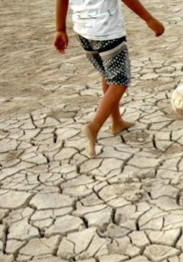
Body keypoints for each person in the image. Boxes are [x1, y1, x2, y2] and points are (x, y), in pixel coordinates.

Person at [53, 0, 164, 158]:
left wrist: (60, 29)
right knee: (119, 80)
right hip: (106, 32)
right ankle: (94, 126)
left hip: (84, 33)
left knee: (108, 74)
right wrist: (149, 19)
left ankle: (116, 122)